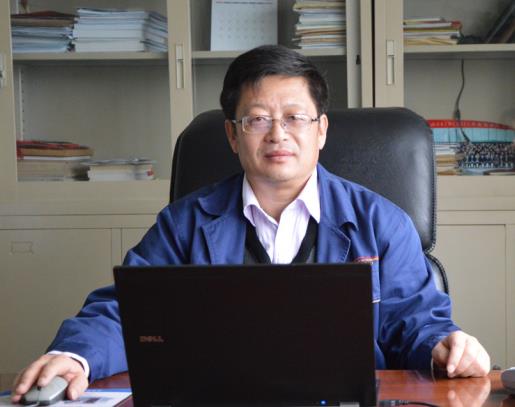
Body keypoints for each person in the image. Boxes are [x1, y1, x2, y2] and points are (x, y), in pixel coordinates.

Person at [12, 45, 490, 403]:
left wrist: (444, 346)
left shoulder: (381, 222)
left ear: (321, 131)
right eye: (257, 120)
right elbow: (127, 311)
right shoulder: (185, 222)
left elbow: (416, 322)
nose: (278, 134)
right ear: (232, 135)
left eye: (295, 117)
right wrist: (74, 355)